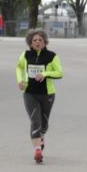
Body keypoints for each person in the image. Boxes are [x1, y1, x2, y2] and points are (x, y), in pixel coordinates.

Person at [15, 29, 63, 164]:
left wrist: (45, 74)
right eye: (34, 40)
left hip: (47, 94)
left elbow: (60, 73)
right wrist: (20, 80)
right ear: (30, 43)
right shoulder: (25, 55)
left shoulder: (52, 56)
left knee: (44, 124)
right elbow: (19, 67)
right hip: (29, 93)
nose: (37, 42)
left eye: (40, 40)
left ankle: (41, 137)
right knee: (35, 121)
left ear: (45, 42)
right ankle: (37, 151)